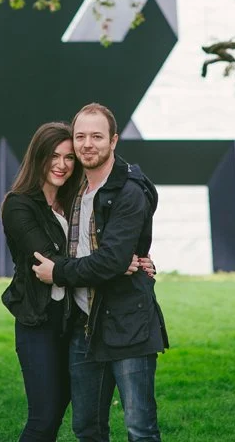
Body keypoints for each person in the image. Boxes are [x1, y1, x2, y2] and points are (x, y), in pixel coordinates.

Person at [33, 102, 168, 442]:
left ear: (114, 140)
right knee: (87, 428)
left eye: (96, 136)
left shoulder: (129, 190)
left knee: (140, 428)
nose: (87, 144)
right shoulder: (73, 187)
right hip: (84, 323)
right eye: (80, 136)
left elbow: (111, 261)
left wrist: (59, 272)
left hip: (128, 322)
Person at [1, 121, 82, 442]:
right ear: (38, 157)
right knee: (43, 416)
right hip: (38, 322)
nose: (62, 165)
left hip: (74, 321)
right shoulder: (19, 204)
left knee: (59, 410)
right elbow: (46, 259)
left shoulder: (75, 203)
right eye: (54, 156)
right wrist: (108, 266)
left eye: (69, 157)